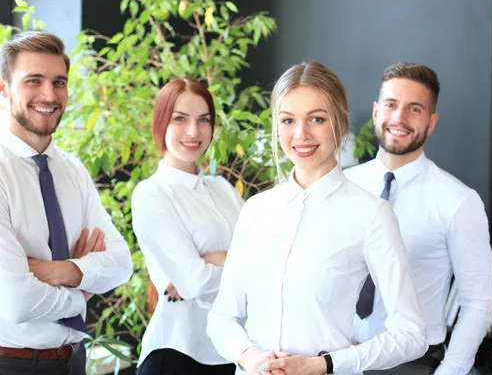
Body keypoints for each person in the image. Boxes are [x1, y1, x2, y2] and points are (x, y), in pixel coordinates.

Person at [207, 61, 427, 375]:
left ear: (340, 123)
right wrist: (250, 356)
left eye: (317, 119)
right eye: (287, 120)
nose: (301, 134)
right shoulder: (255, 210)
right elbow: (221, 317)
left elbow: (412, 334)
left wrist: (325, 364)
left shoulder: (371, 214)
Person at [349, 63, 492, 375]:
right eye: (391, 105)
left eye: (414, 109)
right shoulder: (341, 187)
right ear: (376, 111)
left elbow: (478, 303)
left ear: (432, 122)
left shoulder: (458, 201)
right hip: (336, 357)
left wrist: (450, 371)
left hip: (410, 365)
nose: (399, 118)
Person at [0, 32, 133, 374]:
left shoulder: (73, 169)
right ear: (4, 88)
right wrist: (82, 292)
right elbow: (17, 302)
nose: (49, 95)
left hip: (75, 360)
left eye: (59, 82)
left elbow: (120, 263)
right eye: (34, 81)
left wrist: (63, 271)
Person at [132, 78, 241, 375]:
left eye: (203, 120)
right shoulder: (151, 193)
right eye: (180, 119)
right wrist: (226, 263)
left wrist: (213, 261)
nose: (193, 131)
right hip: (177, 354)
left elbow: (262, 263)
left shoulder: (223, 189)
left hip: (234, 352)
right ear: (161, 123)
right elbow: (194, 283)